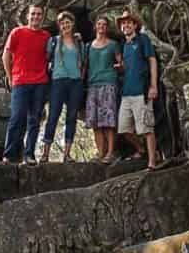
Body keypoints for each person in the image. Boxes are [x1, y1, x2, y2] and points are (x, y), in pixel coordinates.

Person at [2, 4, 50, 165]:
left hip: (40, 82)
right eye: (33, 14)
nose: (36, 17)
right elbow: (6, 56)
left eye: (39, 14)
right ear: (27, 16)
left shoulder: (46, 36)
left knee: (34, 120)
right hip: (20, 82)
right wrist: (10, 78)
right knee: (16, 118)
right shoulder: (17, 32)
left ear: (42, 17)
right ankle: (9, 155)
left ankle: (29, 155)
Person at [41, 11, 85, 163]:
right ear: (59, 26)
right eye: (62, 23)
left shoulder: (79, 42)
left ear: (72, 24)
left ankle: (67, 154)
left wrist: (80, 77)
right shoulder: (54, 41)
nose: (65, 25)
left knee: (71, 117)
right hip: (58, 81)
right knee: (53, 116)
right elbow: (46, 60)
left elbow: (83, 62)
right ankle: (45, 154)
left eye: (68, 22)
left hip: (75, 82)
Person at [116, 9, 158, 170]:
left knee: (147, 128)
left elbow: (152, 61)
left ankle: (152, 162)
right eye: (123, 23)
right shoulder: (123, 46)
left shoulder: (142, 40)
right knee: (124, 129)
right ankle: (141, 149)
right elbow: (126, 67)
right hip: (126, 93)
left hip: (142, 91)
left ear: (135, 25)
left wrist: (153, 86)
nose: (126, 25)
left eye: (128, 22)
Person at [84, 14, 122, 163]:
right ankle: (100, 153)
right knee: (95, 122)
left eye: (104, 25)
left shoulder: (113, 44)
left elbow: (121, 63)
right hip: (93, 85)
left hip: (109, 83)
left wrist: (120, 67)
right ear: (95, 27)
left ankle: (110, 153)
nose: (101, 27)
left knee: (108, 121)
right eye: (99, 24)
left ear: (107, 28)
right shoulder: (88, 46)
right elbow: (85, 66)